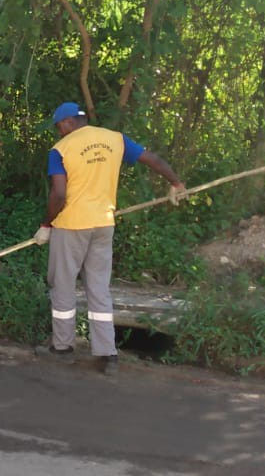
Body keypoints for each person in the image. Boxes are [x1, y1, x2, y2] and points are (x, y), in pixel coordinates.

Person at [34, 102, 186, 375]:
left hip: (71, 226)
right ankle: (108, 354)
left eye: (59, 127)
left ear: (68, 122)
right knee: (99, 288)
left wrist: (47, 224)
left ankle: (62, 348)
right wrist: (176, 183)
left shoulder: (61, 150)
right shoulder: (114, 139)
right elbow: (155, 160)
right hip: (104, 225)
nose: (59, 133)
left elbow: (58, 194)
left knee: (63, 285)